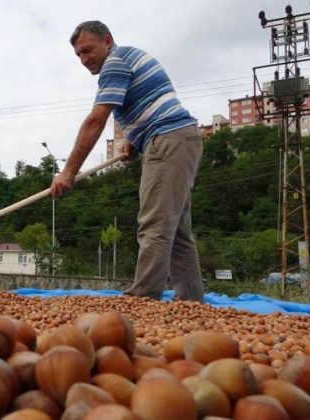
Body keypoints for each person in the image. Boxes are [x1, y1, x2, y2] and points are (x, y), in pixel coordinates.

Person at [50, 21, 204, 302]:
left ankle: (142, 299)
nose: (84, 60)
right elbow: (151, 99)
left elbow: (96, 120)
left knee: (155, 225)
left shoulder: (115, 64)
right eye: (78, 55)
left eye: (87, 50)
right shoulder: (130, 56)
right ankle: (191, 302)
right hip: (180, 138)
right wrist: (136, 138)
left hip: (168, 141)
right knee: (177, 232)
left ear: (107, 41)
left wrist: (69, 171)